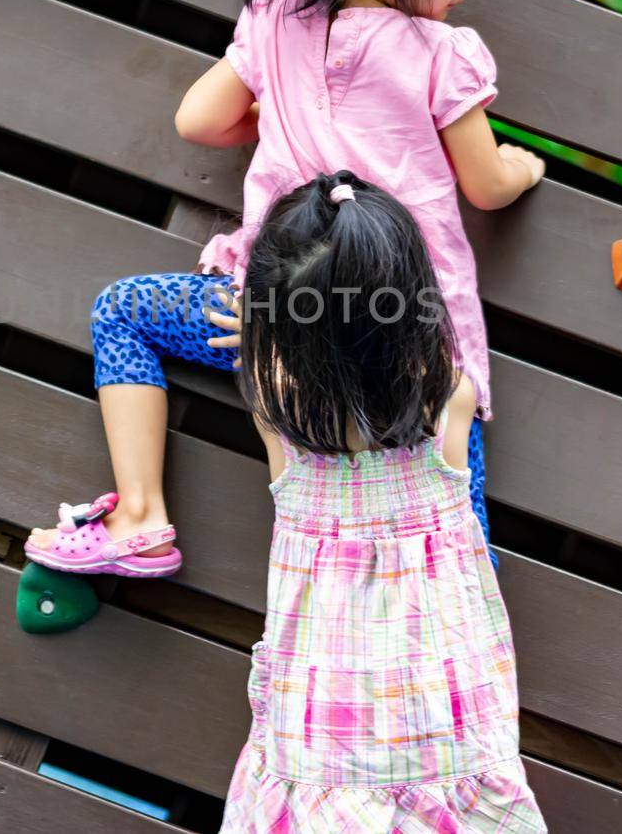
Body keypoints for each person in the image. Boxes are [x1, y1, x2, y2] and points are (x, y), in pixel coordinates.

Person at [24, 0, 545, 579]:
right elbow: (487, 185)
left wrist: (274, 113)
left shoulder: (277, 20)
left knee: (123, 314)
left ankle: (139, 515)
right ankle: (456, 605)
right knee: (452, 506)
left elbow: (199, 120)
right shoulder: (442, 55)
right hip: (408, 339)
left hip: (274, 320)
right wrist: (523, 166)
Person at [219, 171, 546, 831]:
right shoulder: (447, 396)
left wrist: (264, 331)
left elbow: (285, 351)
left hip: (318, 740)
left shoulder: (273, 409)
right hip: (447, 729)